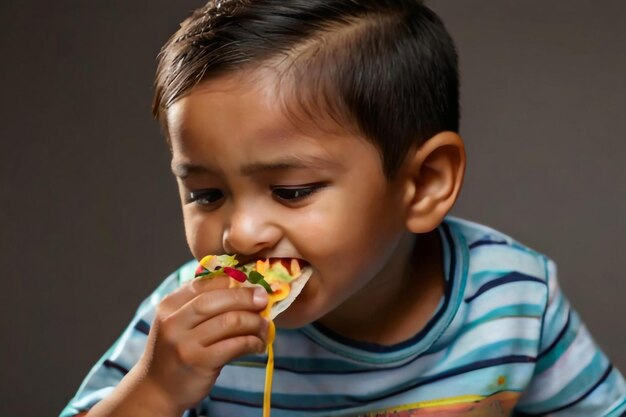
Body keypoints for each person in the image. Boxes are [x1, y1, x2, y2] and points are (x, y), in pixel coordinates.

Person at [60, 1, 626, 416]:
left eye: (292, 191)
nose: (242, 233)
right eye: (207, 195)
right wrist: (156, 390)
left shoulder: (515, 297)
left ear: (424, 183)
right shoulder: (185, 321)